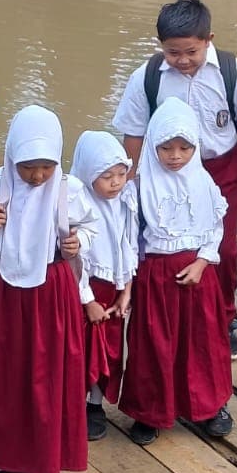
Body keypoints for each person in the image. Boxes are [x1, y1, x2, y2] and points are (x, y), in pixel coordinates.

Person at [0, 106, 96, 473]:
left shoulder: (68, 190)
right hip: (8, 289)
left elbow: (93, 226)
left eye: (45, 166)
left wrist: (79, 243)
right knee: (9, 374)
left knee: (45, 380)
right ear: (12, 159)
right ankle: (16, 461)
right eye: (28, 167)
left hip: (49, 293)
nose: (37, 176)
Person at [112, 0, 237, 328]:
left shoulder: (232, 72)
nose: (182, 60)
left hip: (220, 170)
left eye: (190, 52)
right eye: (173, 53)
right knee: (157, 246)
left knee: (223, 250)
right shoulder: (149, 76)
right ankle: (158, 316)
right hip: (165, 172)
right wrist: (129, 178)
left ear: (208, 41)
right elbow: (134, 131)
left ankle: (221, 318)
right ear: (160, 47)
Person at [118, 98, 234, 445]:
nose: (175, 156)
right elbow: (129, 237)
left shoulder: (204, 184)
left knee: (203, 341)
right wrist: (129, 280)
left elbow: (216, 227)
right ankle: (150, 412)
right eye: (166, 147)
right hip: (155, 276)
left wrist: (202, 262)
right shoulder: (138, 188)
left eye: (184, 147)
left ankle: (210, 406)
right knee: (154, 344)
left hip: (198, 276)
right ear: (153, 145)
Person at [70, 130, 139, 442]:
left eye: (121, 174)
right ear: (87, 175)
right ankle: (72, 402)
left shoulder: (124, 201)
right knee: (79, 349)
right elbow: (73, 259)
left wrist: (126, 290)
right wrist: (87, 300)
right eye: (106, 176)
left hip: (112, 289)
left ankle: (95, 404)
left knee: (109, 349)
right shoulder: (77, 205)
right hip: (86, 290)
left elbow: (127, 245)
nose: (115, 183)